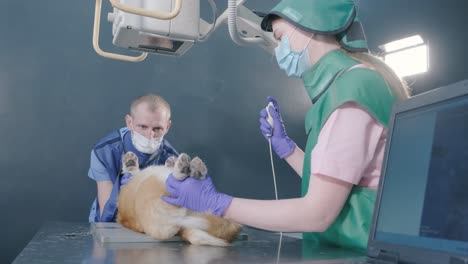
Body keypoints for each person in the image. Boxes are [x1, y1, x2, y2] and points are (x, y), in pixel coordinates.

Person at [162, 0, 410, 251]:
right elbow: (337, 181)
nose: (277, 48)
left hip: (363, 252)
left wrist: (217, 203)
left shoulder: (353, 89)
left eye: (280, 37)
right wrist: (287, 148)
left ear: (312, 26)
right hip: (347, 248)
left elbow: (317, 214)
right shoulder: (346, 87)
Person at [88, 94, 178, 222]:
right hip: (113, 216)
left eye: (157, 129)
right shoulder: (104, 152)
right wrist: (122, 188)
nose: (150, 135)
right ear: (129, 122)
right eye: (143, 127)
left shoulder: (171, 158)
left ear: (167, 127)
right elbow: (106, 215)